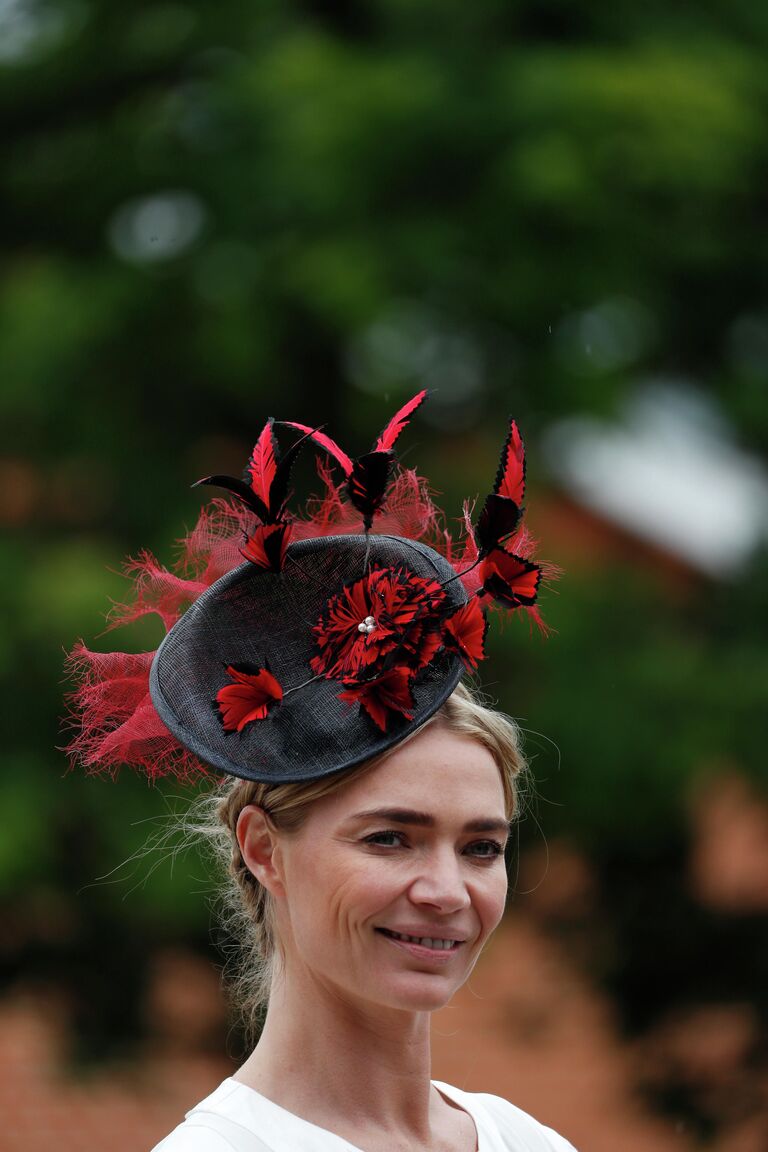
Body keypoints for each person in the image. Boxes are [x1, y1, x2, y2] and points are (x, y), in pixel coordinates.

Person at [65, 394, 576, 1151]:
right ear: (263, 849)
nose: (446, 891)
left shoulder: (529, 1143)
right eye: (390, 839)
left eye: (482, 848)